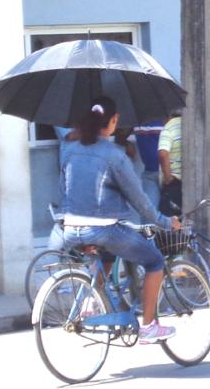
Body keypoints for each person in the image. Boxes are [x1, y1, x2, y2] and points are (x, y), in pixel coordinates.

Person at [61, 96, 181, 344]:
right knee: (155, 261)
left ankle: (90, 303)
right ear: (114, 120)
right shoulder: (114, 156)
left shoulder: (70, 150)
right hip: (103, 229)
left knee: (106, 255)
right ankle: (149, 326)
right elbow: (140, 200)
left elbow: (66, 188)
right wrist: (165, 221)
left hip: (71, 229)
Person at [134, 120, 164, 210]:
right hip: (149, 173)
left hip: (168, 172)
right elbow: (120, 133)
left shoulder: (166, 116)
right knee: (148, 211)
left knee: (170, 212)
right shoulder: (135, 118)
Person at [158, 112, 182, 216]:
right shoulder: (189, 123)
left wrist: (168, 178)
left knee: (170, 222)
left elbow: (163, 153)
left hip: (174, 183)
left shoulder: (169, 128)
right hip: (191, 183)